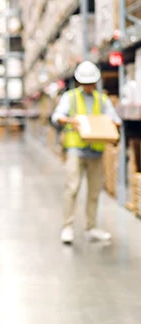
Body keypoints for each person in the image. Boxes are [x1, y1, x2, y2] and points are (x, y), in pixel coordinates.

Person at [51, 61, 122, 245]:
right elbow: (56, 116)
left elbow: (115, 118)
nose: (88, 86)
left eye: (91, 83)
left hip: (96, 152)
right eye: (85, 83)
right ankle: (67, 227)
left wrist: (113, 124)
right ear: (79, 82)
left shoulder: (102, 99)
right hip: (76, 149)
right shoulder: (71, 97)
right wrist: (68, 120)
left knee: (94, 191)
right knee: (72, 188)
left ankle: (91, 228)